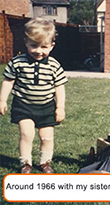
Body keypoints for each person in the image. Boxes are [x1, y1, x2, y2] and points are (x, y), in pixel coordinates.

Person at [0, 17, 68, 173]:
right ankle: (26, 163)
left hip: (46, 107)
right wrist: (2, 100)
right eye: (33, 46)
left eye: (44, 47)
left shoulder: (54, 65)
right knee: (26, 134)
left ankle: (45, 162)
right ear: (26, 42)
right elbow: (8, 81)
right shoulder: (18, 62)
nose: (38, 51)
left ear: (52, 46)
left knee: (46, 137)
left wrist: (60, 107)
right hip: (23, 105)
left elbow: (59, 87)